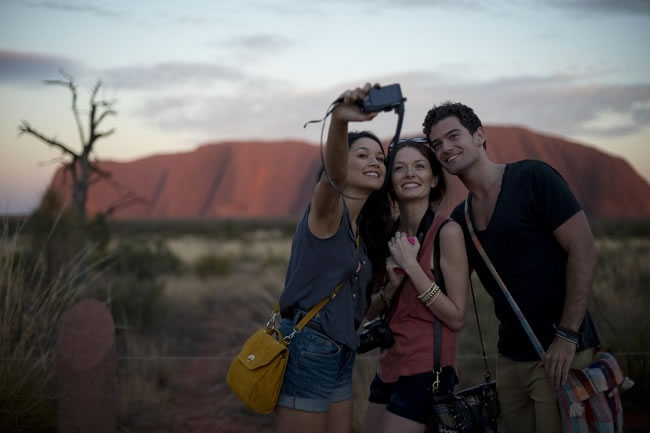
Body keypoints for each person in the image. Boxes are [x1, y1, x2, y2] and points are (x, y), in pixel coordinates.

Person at [422, 102, 601, 433]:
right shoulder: (461, 220)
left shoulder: (532, 178)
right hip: (510, 360)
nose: (445, 148)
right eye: (436, 144)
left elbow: (584, 249)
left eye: (453, 136)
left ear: (479, 135)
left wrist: (566, 335)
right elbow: (448, 294)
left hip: (560, 353)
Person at [274, 83, 390, 433]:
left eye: (380, 157)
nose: (374, 161)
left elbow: (356, 308)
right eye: (362, 155)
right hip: (309, 348)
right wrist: (340, 121)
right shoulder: (326, 214)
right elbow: (334, 176)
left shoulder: (363, 236)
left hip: (342, 352)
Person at [362, 138, 470, 433]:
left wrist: (412, 266)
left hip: (427, 370)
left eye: (419, 166)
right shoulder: (387, 231)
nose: (410, 174)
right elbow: (370, 312)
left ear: (434, 178)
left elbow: (457, 317)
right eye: (400, 168)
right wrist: (391, 286)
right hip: (389, 365)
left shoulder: (447, 233)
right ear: (390, 181)